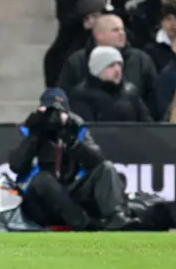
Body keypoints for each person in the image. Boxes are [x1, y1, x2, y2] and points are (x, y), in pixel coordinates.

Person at [9, 88, 141, 231]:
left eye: (59, 112)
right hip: (40, 203)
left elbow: (97, 160)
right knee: (43, 179)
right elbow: (16, 165)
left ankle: (118, 217)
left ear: (67, 113)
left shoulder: (76, 128)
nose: (52, 116)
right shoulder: (31, 127)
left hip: (70, 196)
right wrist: (34, 136)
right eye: (48, 109)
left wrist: (71, 140)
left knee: (107, 168)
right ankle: (85, 225)